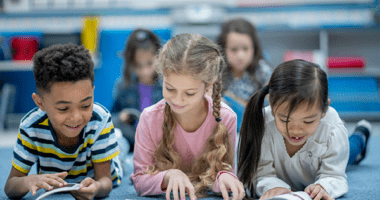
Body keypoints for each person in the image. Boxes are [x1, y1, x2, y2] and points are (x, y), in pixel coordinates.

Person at [4, 44, 126, 200]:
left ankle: (117, 138)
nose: (76, 117)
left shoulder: (99, 119)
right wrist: (28, 180)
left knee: (120, 152)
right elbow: (10, 187)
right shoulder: (30, 127)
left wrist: (97, 188)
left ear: (92, 92)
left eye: (85, 105)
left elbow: (106, 181)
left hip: (112, 163)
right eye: (63, 109)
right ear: (40, 102)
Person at [131, 33, 245, 200]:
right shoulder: (149, 118)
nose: (177, 100)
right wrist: (169, 176)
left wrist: (225, 178)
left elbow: (225, 173)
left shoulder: (226, 118)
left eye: (190, 93)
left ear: (208, 86)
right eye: (170, 89)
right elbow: (140, 181)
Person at [237, 59, 372, 200]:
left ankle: (361, 134)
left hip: (327, 157)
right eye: (285, 120)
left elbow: (333, 175)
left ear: (324, 108)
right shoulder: (262, 124)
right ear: (271, 104)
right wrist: (271, 186)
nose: (295, 131)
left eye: (308, 121)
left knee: (351, 150)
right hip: (305, 164)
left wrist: (324, 186)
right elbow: (260, 173)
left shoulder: (332, 128)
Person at [216, 18, 273, 131]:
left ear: (254, 48)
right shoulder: (216, 72)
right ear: (223, 49)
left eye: (245, 49)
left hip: (258, 130)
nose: (240, 55)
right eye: (234, 49)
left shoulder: (262, 70)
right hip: (227, 132)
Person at [111, 28, 163, 151]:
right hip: (132, 146)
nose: (145, 71)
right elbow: (109, 120)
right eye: (138, 65)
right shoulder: (123, 86)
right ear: (130, 63)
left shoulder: (168, 86)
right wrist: (121, 117)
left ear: (159, 58)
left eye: (149, 64)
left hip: (161, 146)